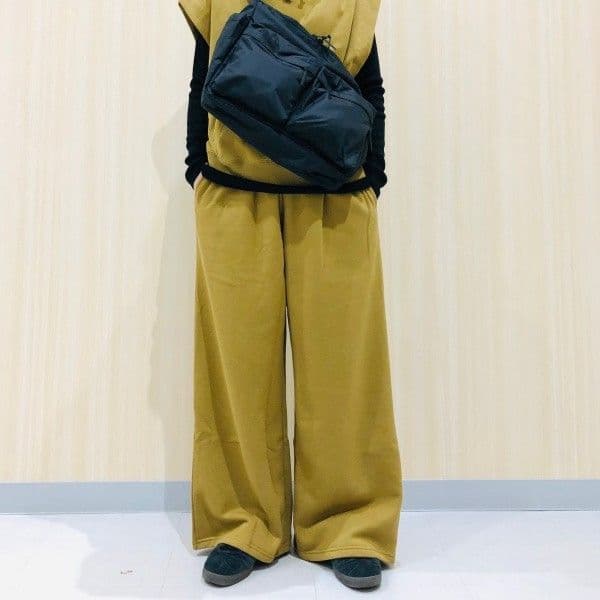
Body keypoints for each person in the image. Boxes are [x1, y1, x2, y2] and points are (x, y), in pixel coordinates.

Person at [178, 0, 402, 590]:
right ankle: (242, 524)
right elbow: (205, 73)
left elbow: (369, 84)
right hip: (232, 195)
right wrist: (197, 166)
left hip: (336, 198)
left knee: (345, 370)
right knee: (237, 370)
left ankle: (350, 525)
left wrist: (373, 175)